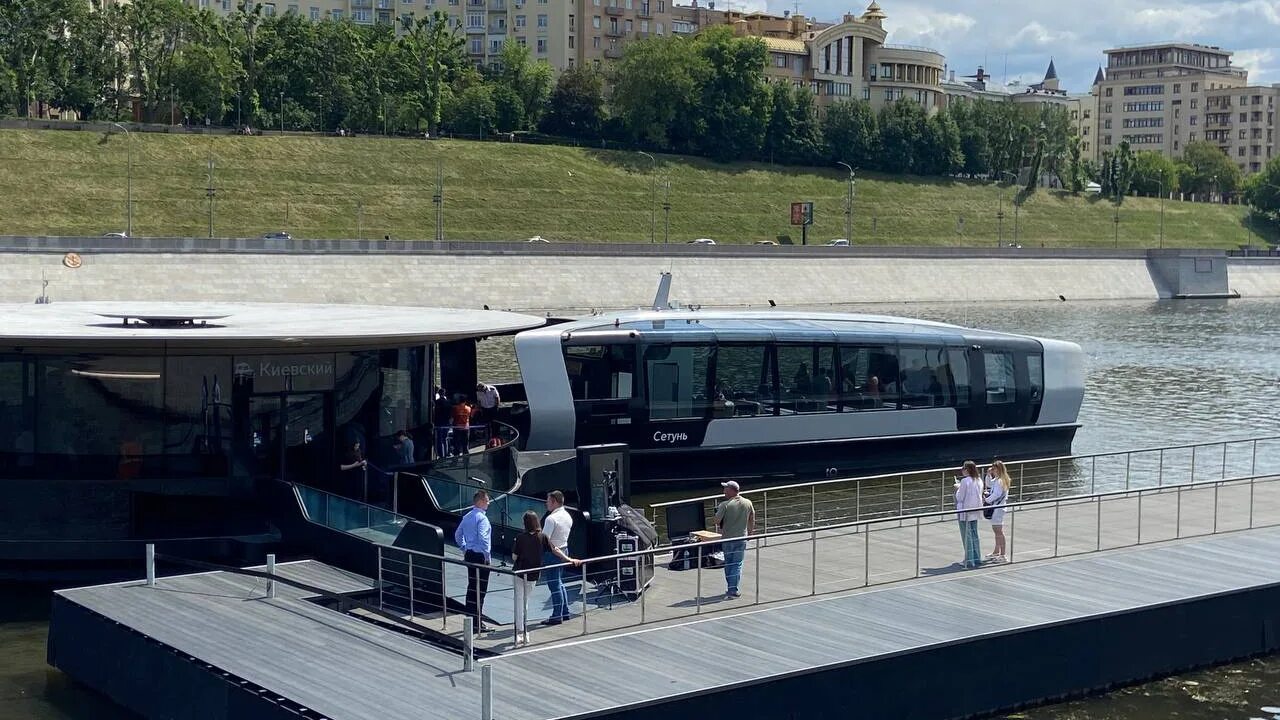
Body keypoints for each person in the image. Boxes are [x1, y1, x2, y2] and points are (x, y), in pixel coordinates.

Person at [511, 510, 579, 644]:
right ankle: (523, 630)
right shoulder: (542, 537)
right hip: (534, 575)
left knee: (519, 601)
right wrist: (569, 558)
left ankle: (520, 631)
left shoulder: (520, 538)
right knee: (525, 601)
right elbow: (555, 550)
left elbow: (514, 557)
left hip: (519, 573)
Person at [454, 490, 492, 632]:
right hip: (480, 556)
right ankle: (477, 622)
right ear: (480, 501)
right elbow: (483, 538)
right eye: (487, 500)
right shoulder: (482, 519)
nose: (488, 503)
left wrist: (464, 547)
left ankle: (470, 620)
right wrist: (487, 556)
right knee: (480, 590)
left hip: (470, 554)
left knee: (471, 587)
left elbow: (458, 534)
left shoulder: (467, 516)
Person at [714, 480, 755, 599]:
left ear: (732, 490)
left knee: (729, 563)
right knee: (737, 564)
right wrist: (751, 532)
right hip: (741, 538)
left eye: (726, 489)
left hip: (727, 539)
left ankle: (731, 588)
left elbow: (716, 521)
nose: (724, 491)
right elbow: (752, 517)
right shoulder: (748, 502)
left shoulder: (724, 505)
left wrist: (717, 513)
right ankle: (733, 589)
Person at [540, 490, 574, 625]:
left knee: (554, 584)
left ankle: (556, 615)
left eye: (548, 501)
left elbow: (545, 539)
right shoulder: (567, 516)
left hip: (553, 553)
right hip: (565, 549)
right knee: (559, 582)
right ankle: (565, 612)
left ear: (554, 501)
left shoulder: (551, 519)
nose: (546, 503)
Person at [955, 460, 984, 568]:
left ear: (967, 470)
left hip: (965, 510)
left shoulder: (965, 481)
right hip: (975, 509)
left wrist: (957, 489)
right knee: (974, 534)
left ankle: (969, 559)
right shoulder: (979, 480)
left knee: (966, 535)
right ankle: (977, 557)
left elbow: (960, 497)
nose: (962, 471)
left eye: (963, 469)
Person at [985, 460, 1012, 562]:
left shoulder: (1001, 481)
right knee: (996, 531)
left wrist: (987, 500)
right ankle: (996, 551)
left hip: (998, 508)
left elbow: (996, 494)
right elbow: (989, 484)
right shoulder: (998, 479)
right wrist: (988, 475)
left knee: (999, 531)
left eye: (994, 468)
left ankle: (1003, 554)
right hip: (997, 508)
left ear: (998, 469)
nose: (993, 470)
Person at [433, 388, 452, 458]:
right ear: (444, 393)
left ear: (439, 393)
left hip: (439, 423)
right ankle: (447, 453)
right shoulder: (448, 402)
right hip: (446, 423)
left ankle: (441, 454)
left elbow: (435, 412)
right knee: (445, 438)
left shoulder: (437, 402)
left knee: (439, 439)